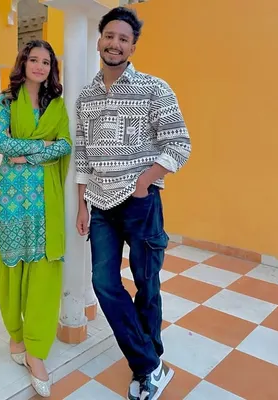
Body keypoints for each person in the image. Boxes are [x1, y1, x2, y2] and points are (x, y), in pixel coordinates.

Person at [75, 7, 191, 400]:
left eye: (123, 39)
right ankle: (151, 365)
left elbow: (180, 145)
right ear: (99, 40)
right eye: (109, 36)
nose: (115, 44)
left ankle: (147, 364)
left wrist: (143, 182)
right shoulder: (86, 97)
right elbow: (82, 155)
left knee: (146, 284)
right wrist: (82, 204)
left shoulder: (154, 88)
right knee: (103, 283)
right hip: (100, 205)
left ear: (132, 47)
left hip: (141, 204)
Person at [0, 40, 71, 398]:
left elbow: (65, 144)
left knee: (44, 273)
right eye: (33, 59)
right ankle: (15, 336)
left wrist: (28, 153)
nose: (39, 66)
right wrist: (44, 147)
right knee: (11, 271)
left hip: (46, 201)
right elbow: (3, 145)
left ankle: (36, 352)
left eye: (46, 62)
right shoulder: (3, 102)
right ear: (23, 63)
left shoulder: (57, 105)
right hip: (10, 200)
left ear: (52, 69)